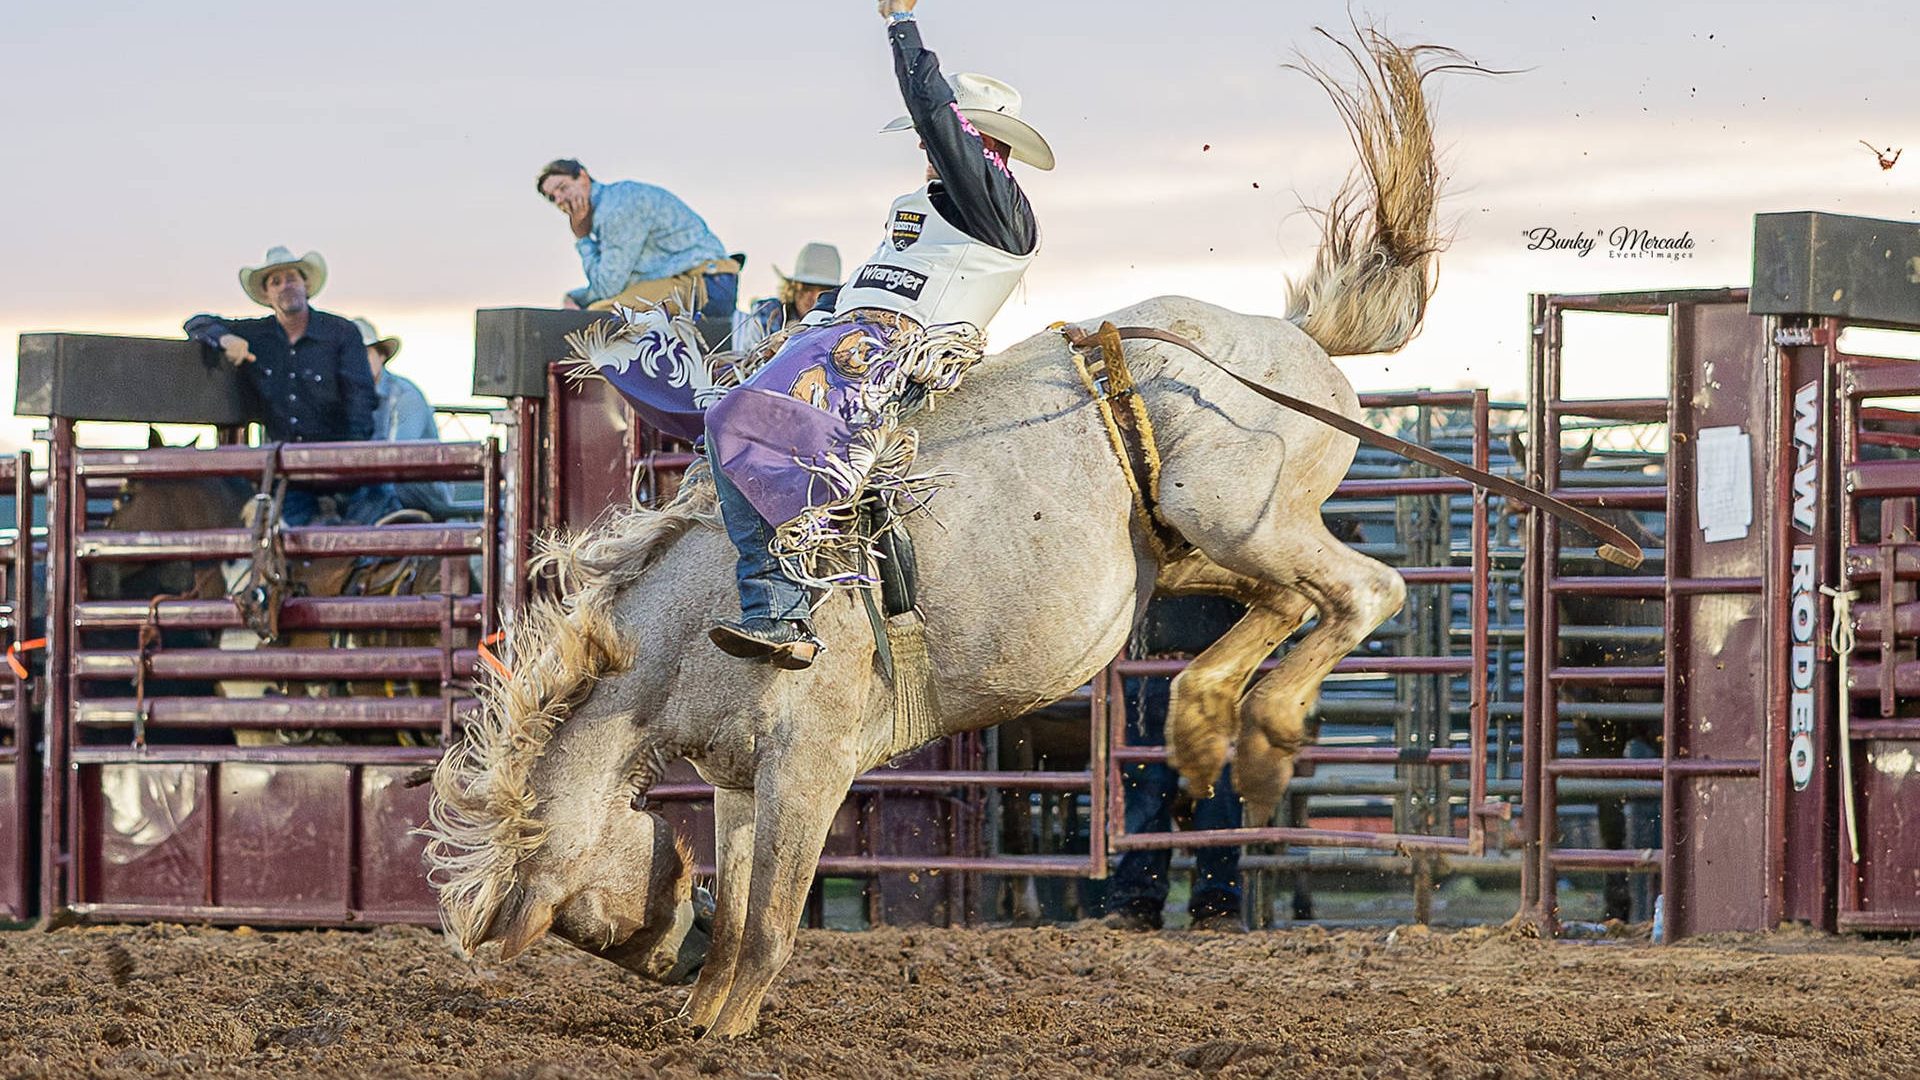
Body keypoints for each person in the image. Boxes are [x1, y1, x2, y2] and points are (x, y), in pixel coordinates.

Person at [702, 0, 1052, 669]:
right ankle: (781, 606)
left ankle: (781, 609)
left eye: (944, 136)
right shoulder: (921, 209)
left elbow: (935, 118)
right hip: (842, 340)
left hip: (888, 355)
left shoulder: (1000, 207)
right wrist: (807, 323)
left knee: (745, 426)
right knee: (722, 424)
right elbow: (874, 279)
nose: (926, 146)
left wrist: (901, 26)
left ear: (980, 144)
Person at [184, 247, 399, 526]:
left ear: (306, 285)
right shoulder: (258, 335)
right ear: (267, 295)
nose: (285, 286)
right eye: (276, 282)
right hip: (292, 476)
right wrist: (226, 340)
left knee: (379, 540)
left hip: (347, 470)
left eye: (291, 278)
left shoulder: (341, 333)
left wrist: (346, 460)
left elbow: (360, 402)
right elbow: (197, 323)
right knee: (278, 548)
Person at [1104, 595, 1246, 932]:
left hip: (1204, 673)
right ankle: (1191, 902)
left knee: (1205, 791)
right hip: (1163, 671)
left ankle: (1205, 902)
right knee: (1150, 786)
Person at [535, 158, 740, 342]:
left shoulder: (615, 210)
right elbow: (623, 282)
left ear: (583, 176)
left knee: (597, 319)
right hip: (692, 281)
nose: (560, 199)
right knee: (594, 312)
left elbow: (608, 288)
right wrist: (576, 297)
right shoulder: (610, 206)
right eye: (553, 198)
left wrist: (582, 238)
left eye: (563, 188)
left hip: (708, 283)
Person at [355, 318, 456, 519]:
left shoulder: (405, 396)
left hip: (420, 487)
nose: (357, 361)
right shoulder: (350, 398)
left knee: (375, 491)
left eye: (364, 353)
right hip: (381, 482)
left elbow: (398, 457)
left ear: (381, 355)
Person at [733, 242, 843, 355]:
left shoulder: (841, 324)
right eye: (807, 288)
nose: (814, 297)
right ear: (793, 288)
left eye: (825, 291)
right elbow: (761, 357)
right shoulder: (768, 311)